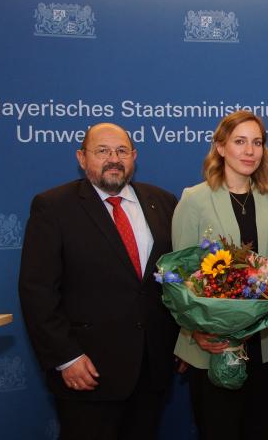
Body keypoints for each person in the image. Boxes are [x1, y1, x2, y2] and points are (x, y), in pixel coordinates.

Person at [18, 123, 179, 440]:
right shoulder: (53, 207)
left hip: (151, 369)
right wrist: (66, 358)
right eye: (102, 151)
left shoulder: (163, 202)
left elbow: (175, 280)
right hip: (88, 371)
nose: (113, 159)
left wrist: (182, 342)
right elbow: (37, 290)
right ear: (82, 157)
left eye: (121, 151)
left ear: (134, 156)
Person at [171, 111, 268, 440]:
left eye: (257, 142)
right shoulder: (194, 199)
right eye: (240, 141)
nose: (250, 151)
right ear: (221, 147)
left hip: (265, 343)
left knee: (261, 430)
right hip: (214, 344)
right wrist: (194, 332)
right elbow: (179, 275)